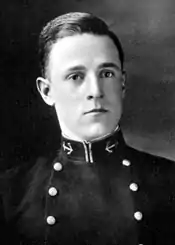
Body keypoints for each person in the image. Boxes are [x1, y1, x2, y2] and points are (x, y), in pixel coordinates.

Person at [1, 11, 175, 245]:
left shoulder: (170, 182)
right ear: (46, 91)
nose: (95, 90)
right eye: (75, 76)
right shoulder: (10, 194)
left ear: (122, 84)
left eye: (106, 73)